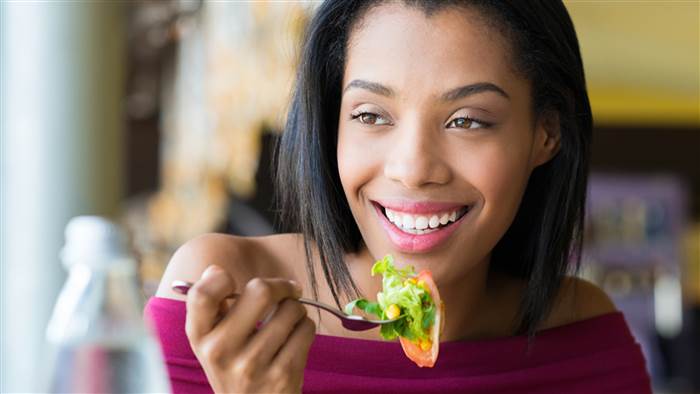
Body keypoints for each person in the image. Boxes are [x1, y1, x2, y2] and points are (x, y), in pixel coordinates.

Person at [145, 1, 652, 393]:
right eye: (370, 115)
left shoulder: (584, 340)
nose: (411, 169)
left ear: (546, 134)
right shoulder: (219, 310)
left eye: (468, 120)